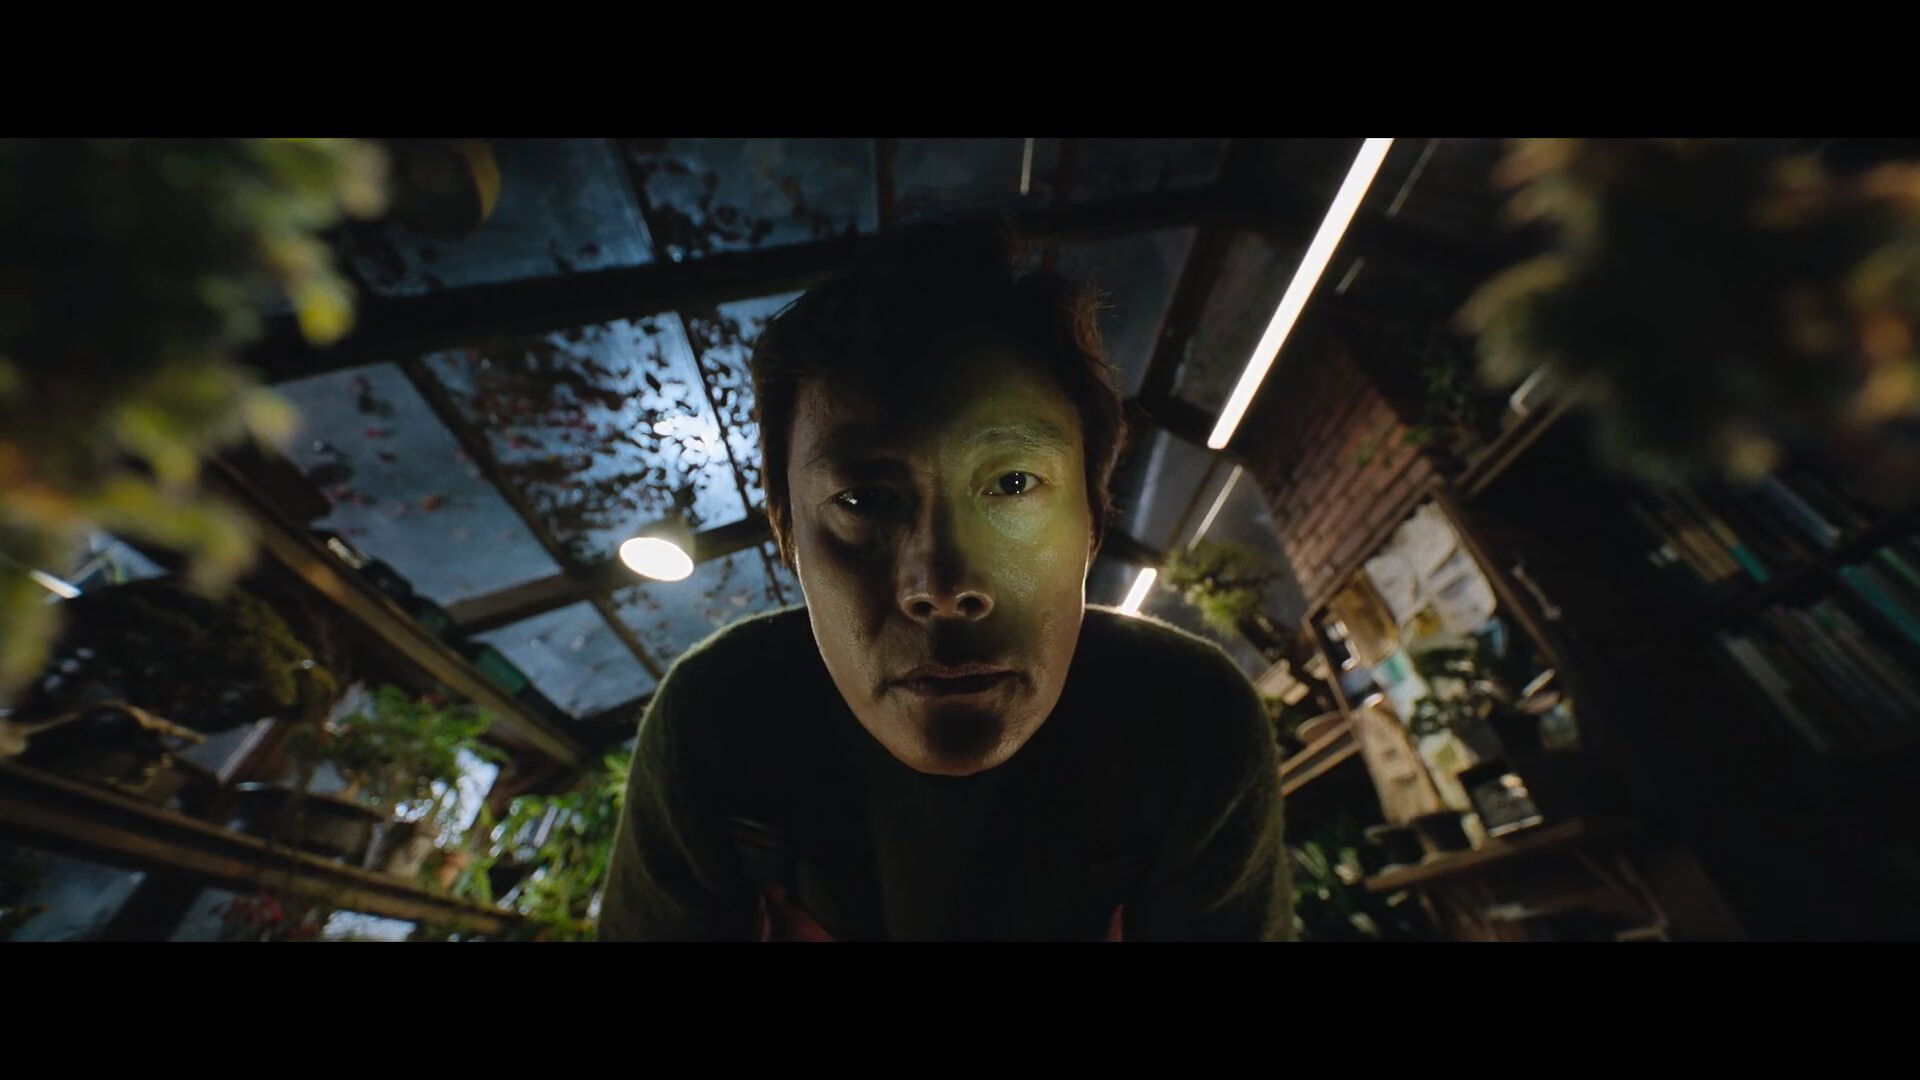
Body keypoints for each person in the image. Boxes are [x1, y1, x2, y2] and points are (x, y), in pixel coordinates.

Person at [598, 224, 1290, 941]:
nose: (943, 583)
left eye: (1013, 484)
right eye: (863, 499)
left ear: (1092, 518)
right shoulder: (718, 726)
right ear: (787, 534)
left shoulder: (1188, 725)